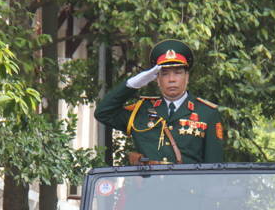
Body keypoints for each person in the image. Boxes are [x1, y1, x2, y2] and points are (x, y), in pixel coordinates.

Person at [95, 39, 223, 164]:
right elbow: (103, 113)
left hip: (189, 185)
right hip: (149, 185)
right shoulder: (142, 111)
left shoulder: (207, 113)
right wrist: (133, 84)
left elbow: (214, 165)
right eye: (165, 74)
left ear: (187, 77)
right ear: (157, 79)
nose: (171, 79)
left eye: (178, 73)